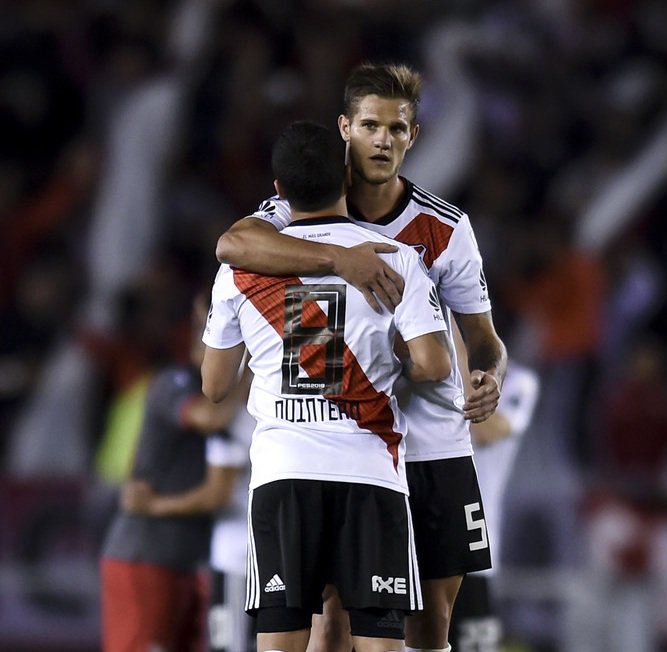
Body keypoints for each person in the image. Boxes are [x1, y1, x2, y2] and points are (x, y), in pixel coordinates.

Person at [215, 62, 508, 652]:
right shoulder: (290, 212)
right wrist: (342, 261)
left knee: (430, 628)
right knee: (333, 623)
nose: (384, 140)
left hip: (433, 441)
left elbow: (485, 338)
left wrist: (489, 376)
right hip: (353, 444)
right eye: (372, 126)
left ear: (414, 137)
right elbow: (231, 244)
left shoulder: (445, 228)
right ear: (345, 129)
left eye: (398, 129)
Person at [100, 293, 243, 652]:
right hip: (145, 556)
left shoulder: (237, 399)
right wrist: (254, 365)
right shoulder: (173, 382)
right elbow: (210, 419)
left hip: (190, 560)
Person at [121, 359, 256, 652]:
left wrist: (155, 505)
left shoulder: (236, 415)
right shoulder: (275, 412)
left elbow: (217, 493)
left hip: (236, 557)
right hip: (257, 556)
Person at [449, 345, 541, 652]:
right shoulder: (423, 372)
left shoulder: (518, 380)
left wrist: (458, 356)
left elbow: (487, 430)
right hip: (419, 546)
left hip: (477, 550)